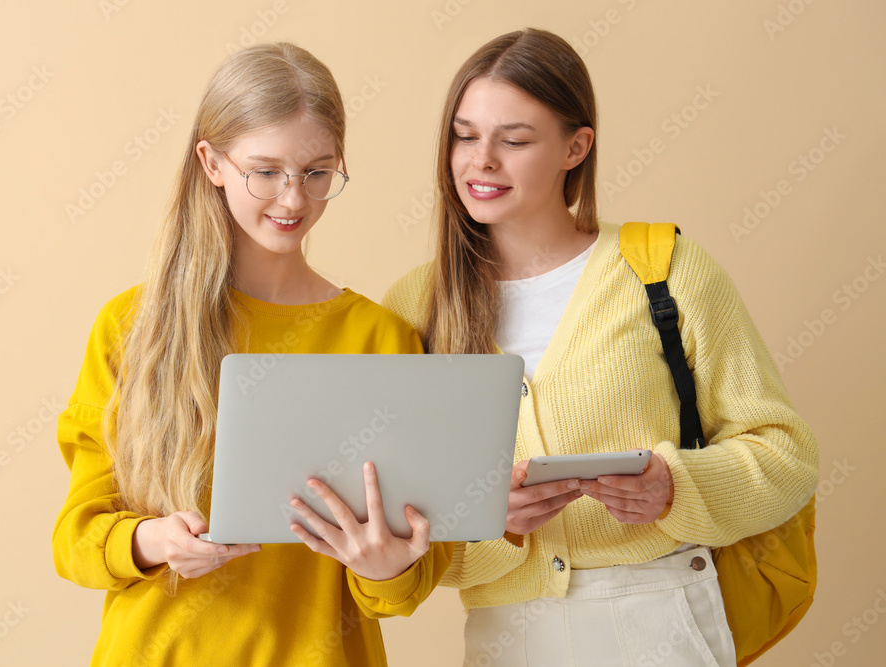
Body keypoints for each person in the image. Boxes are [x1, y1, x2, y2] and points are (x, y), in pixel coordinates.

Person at [382, 28, 818, 667]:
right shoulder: (415, 305)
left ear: (575, 147)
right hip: (503, 635)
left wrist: (677, 487)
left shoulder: (666, 270)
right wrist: (488, 518)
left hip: (662, 620)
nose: (481, 162)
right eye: (465, 135)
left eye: (515, 140)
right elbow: (400, 523)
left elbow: (788, 456)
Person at [52, 42, 451, 666]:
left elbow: (403, 589)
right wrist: (154, 541)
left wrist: (386, 567)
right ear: (211, 162)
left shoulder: (383, 341)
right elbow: (75, 539)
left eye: (318, 172)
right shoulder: (133, 326)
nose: (294, 200)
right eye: (265, 172)